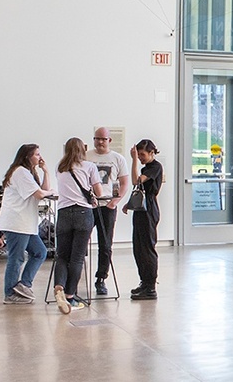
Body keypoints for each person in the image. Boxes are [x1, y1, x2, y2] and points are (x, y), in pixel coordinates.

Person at [52, 137, 107, 315]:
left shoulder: (59, 167)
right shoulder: (89, 166)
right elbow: (99, 193)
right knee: (77, 258)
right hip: (83, 214)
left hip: (64, 214)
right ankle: (69, 296)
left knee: (62, 256)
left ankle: (59, 286)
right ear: (83, 149)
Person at [0, 143, 56, 305]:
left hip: (26, 223)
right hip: (17, 223)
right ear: (27, 157)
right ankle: (9, 293)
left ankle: (23, 285)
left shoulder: (29, 173)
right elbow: (39, 194)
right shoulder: (20, 172)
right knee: (16, 258)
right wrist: (51, 193)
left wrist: (46, 171)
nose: (40, 157)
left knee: (40, 252)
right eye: (36, 154)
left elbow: (44, 189)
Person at [87, 127, 130, 296]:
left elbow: (124, 182)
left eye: (103, 139)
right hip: (89, 205)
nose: (100, 142)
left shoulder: (118, 159)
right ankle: (76, 276)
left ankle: (101, 278)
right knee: (81, 242)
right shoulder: (86, 156)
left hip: (107, 206)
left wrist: (116, 200)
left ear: (109, 140)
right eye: (97, 138)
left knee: (105, 243)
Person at [126, 140, 163, 299]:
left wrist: (133, 160)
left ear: (151, 153)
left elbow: (136, 181)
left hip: (149, 208)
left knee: (147, 247)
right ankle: (144, 281)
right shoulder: (146, 168)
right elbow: (138, 189)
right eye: (138, 154)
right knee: (138, 247)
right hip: (142, 208)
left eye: (142, 154)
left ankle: (150, 287)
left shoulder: (155, 167)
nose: (140, 157)